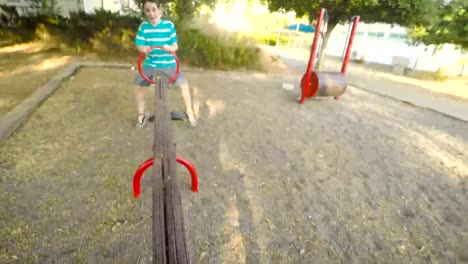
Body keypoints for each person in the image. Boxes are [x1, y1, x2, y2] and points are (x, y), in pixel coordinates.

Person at [133, 0, 197, 128]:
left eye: (154, 9)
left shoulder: (169, 25)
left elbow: (175, 46)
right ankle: (141, 115)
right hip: (150, 64)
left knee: (184, 84)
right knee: (136, 85)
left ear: (160, 9)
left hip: (169, 64)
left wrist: (170, 48)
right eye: (147, 10)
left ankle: (189, 111)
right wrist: (142, 48)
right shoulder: (144, 27)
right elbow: (138, 44)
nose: (151, 13)